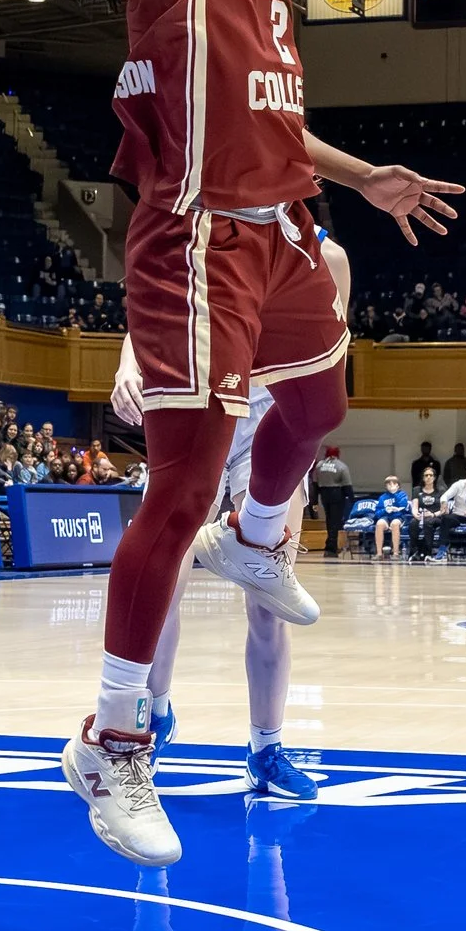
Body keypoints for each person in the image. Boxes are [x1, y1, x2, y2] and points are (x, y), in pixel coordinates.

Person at [20, 0, 460, 868]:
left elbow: (264, 106)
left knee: (321, 393)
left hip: (277, 217)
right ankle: (115, 737)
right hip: (197, 241)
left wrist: (362, 171)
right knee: (175, 480)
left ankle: (263, 537)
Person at [116, 222, 352, 801]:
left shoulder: (329, 255)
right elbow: (154, 305)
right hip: (196, 406)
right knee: (163, 578)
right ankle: (153, 715)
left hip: (267, 424)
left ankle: (266, 747)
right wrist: (127, 363)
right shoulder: (205, 220)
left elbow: (322, 361)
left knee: (268, 600)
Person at [310, 442, 355, 559]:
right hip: (337, 494)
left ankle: (329, 547)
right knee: (336, 521)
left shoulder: (319, 465)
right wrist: (352, 500)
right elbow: (347, 486)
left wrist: (314, 501)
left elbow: (314, 484)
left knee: (329, 520)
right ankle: (331, 549)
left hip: (324, 495)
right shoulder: (341, 466)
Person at [368, 474, 409, 560]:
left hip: (398, 516)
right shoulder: (383, 497)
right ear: (386, 486)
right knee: (379, 524)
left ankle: (396, 553)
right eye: (388, 484)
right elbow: (377, 513)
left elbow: (404, 506)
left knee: (395, 524)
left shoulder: (402, 495)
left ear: (398, 485)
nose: (391, 486)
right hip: (386, 517)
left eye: (393, 484)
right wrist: (385, 510)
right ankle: (379, 553)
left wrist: (395, 497)